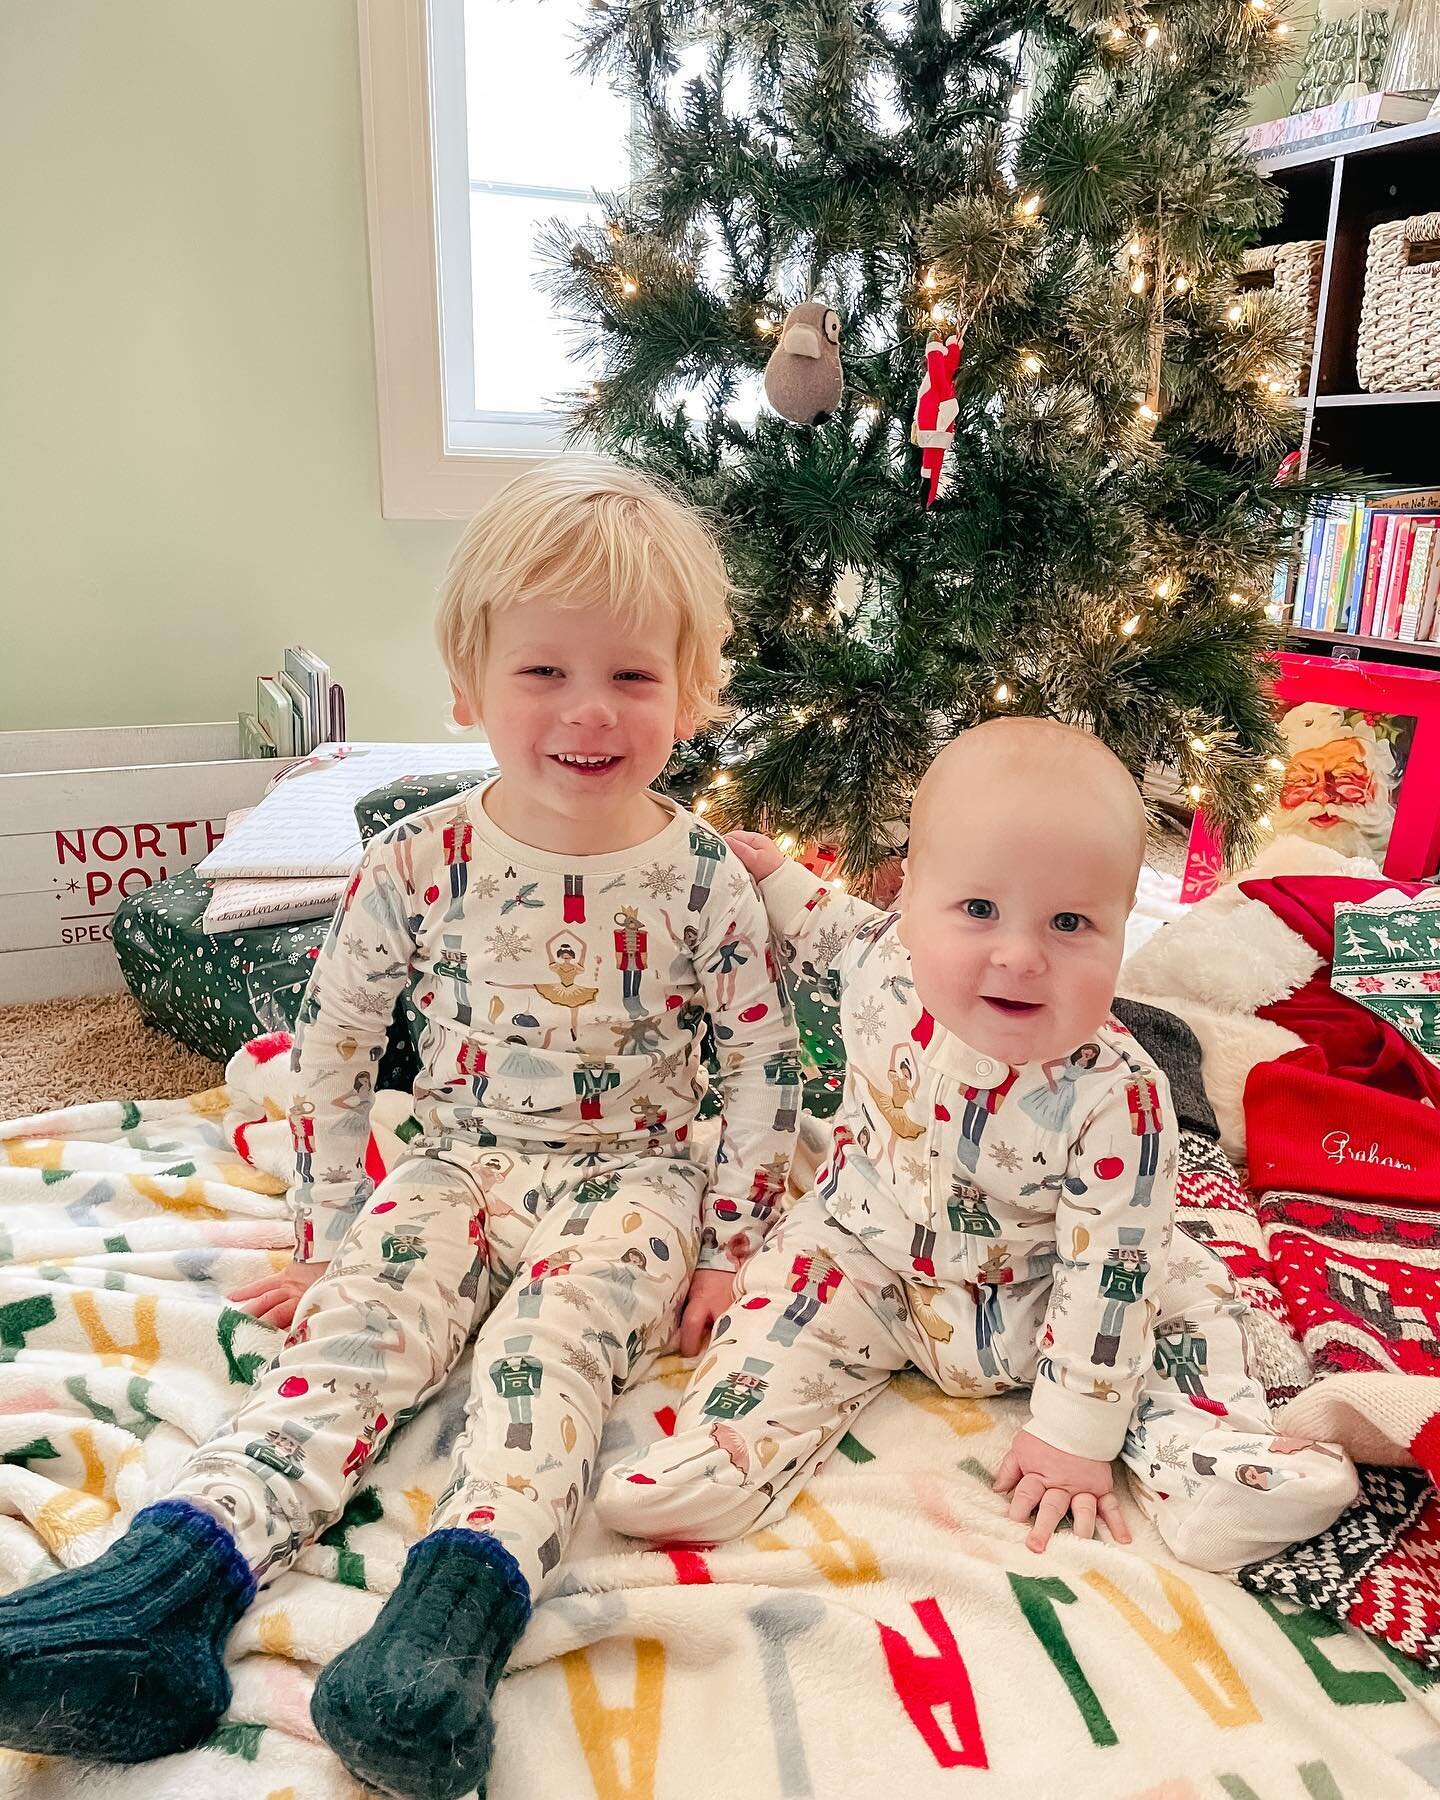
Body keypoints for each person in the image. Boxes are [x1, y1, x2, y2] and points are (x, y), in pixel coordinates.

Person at [0, 458, 800, 1800]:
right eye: (542, 675)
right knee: (353, 1348)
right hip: (451, 1161)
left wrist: (725, 1248)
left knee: (548, 1369)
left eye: (633, 679)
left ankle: (446, 1633)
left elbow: (767, 1068)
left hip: (635, 1182)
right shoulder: (420, 861)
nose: (588, 712)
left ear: (692, 694)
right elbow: (336, 1047)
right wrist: (324, 1231)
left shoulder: (706, 877)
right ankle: (167, 1586)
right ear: (468, 688)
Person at [596, 717, 1358, 1573]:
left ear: (1124, 928)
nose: (1021, 955)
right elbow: (827, 922)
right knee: (784, 1295)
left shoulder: (1122, 1097)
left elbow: (1109, 1270)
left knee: (1182, 1300)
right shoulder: (880, 957)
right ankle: (729, 1443)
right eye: (979, 909)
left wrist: (1074, 1434)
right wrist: (773, 876)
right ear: (910, 900)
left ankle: (1213, 1465)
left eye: (1071, 922)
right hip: (870, 1258)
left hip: (1044, 1292)